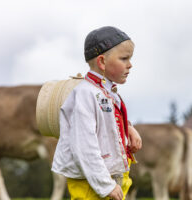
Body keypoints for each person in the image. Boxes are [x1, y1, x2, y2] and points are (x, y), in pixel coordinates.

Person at [51, 26, 142, 200]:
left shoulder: (107, 92)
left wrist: (128, 128)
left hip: (109, 176)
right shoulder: (85, 94)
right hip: (91, 183)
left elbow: (107, 120)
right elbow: (84, 146)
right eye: (124, 58)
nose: (130, 65)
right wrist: (105, 185)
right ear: (102, 62)